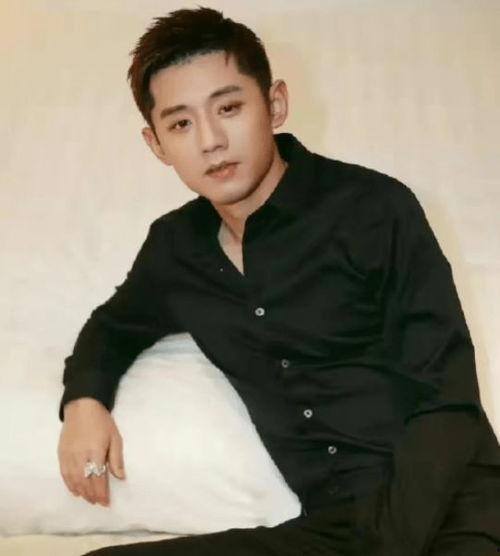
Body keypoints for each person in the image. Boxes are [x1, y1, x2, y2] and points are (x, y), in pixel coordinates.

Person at [57, 6, 500, 555]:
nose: (211, 140)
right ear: (157, 144)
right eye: (181, 123)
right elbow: (112, 327)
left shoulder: (373, 209)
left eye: (229, 108)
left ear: (275, 105)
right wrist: (83, 403)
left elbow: (446, 401)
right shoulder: (176, 250)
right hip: (337, 529)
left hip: (453, 513)